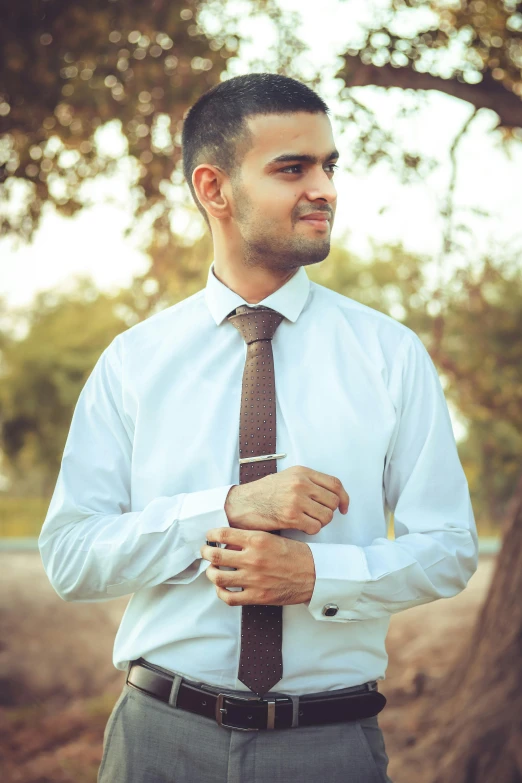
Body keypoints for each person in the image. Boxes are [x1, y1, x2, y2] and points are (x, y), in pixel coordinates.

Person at [39, 72, 479, 783]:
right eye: (292, 168)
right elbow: (70, 557)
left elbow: (452, 547)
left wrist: (317, 574)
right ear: (214, 189)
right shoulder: (134, 362)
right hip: (157, 742)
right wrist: (226, 509)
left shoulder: (389, 354)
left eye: (330, 166)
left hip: (330, 746)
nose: (327, 189)